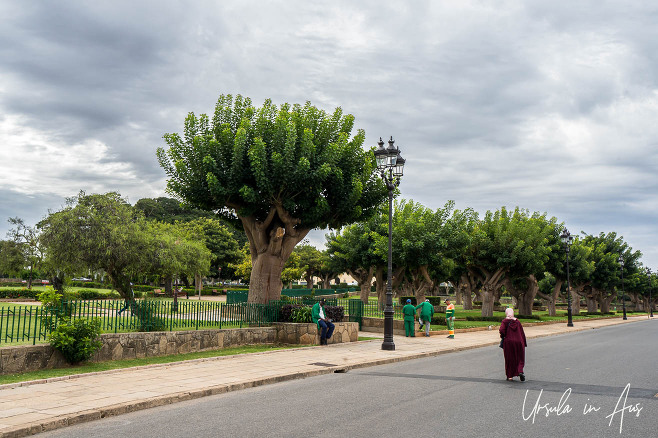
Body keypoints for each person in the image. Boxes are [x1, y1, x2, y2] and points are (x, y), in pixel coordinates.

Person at [499, 308, 527, 381]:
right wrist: (524, 342)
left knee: (509, 358)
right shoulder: (517, 322)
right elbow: (522, 333)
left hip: (509, 342)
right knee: (520, 357)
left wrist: (503, 336)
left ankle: (510, 376)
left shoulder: (505, 321)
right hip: (519, 342)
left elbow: (502, 330)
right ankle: (520, 371)